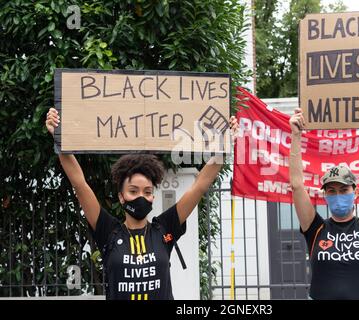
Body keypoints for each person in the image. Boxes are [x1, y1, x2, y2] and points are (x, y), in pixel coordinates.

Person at [45, 107, 238, 300]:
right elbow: (79, 184)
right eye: (133, 191)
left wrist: (225, 145)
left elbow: (199, 186)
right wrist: (59, 138)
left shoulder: (164, 228)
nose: (141, 197)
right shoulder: (108, 231)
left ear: (153, 197)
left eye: (147, 192)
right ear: (121, 197)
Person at [289, 99, 359, 300]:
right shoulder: (315, 228)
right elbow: (297, 185)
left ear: (356, 192)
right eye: (331, 191)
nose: (338, 195)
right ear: (325, 195)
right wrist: (296, 135)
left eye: (344, 190)